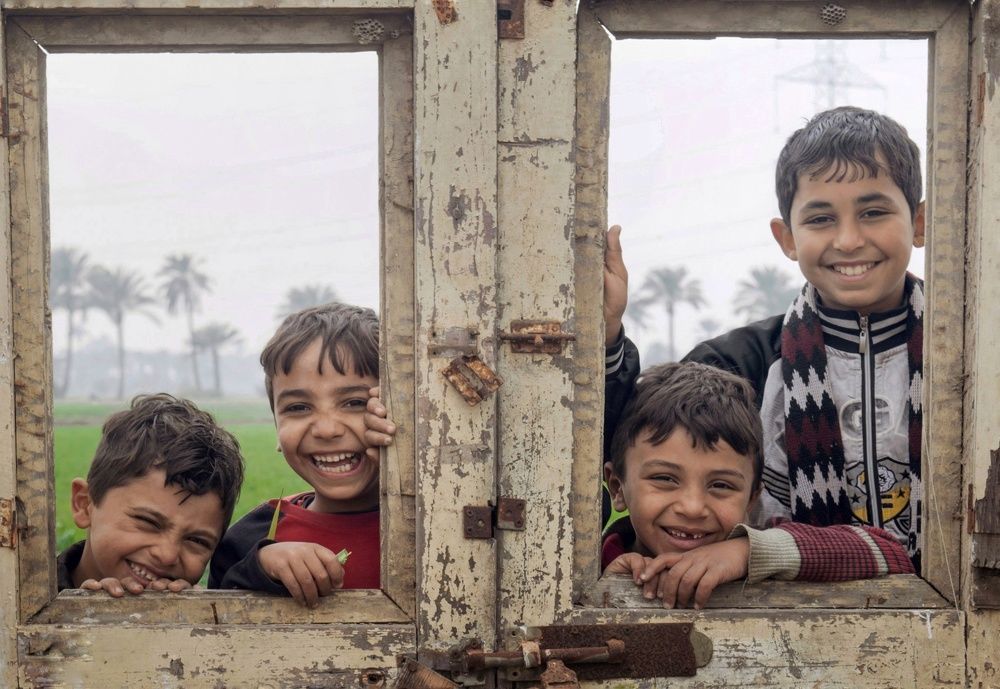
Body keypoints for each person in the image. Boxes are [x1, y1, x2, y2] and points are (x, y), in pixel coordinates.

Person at [605, 106, 926, 567]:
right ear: (787, 238)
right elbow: (632, 458)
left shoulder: (968, 356)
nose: (850, 240)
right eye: (820, 219)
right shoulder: (735, 365)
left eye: (873, 212)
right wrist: (608, 333)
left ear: (918, 223)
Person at [603, 362, 914, 609]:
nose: (693, 507)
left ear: (753, 498)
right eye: (665, 479)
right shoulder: (587, 562)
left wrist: (748, 551)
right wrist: (606, 586)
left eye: (721, 485)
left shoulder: (766, 546)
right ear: (617, 487)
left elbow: (892, 555)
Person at [209, 303, 390, 607]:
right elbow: (213, 621)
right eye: (298, 408)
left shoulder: (436, 521)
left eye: (355, 402)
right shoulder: (254, 534)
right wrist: (261, 564)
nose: (326, 429)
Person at [59, 393, 245, 597]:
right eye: (148, 521)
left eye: (197, 541)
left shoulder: (204, 619)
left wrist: (195, 617)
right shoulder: (26, 598)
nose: (167, 555)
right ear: (84, 504)